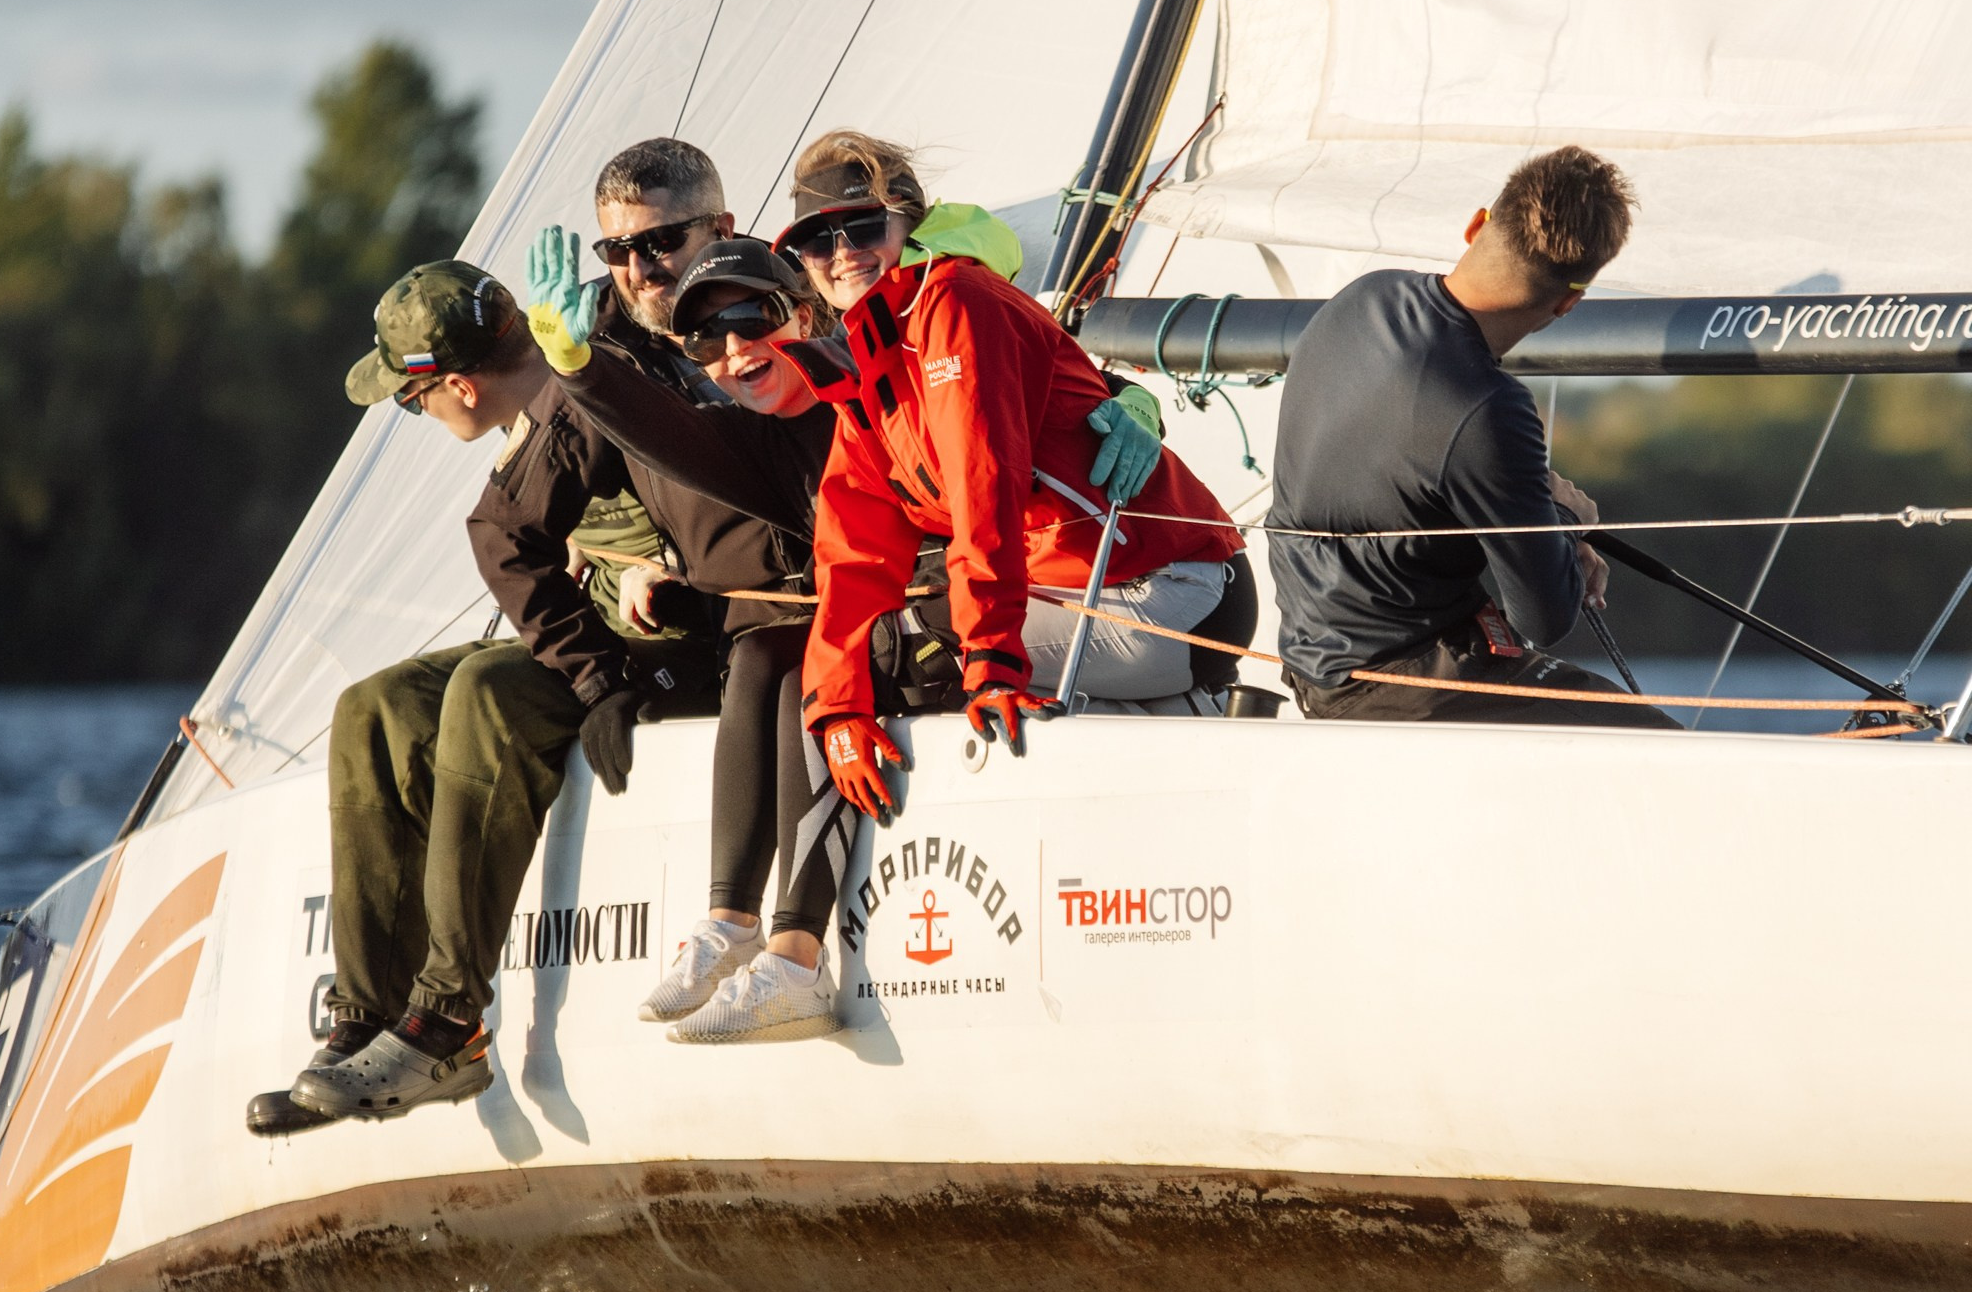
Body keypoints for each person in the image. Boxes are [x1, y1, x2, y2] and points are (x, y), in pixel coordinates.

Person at [246, 246, 722, 1136]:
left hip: (681, 646)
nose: (412, 411)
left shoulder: (583, 390)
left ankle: (445, 1022)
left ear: (459, 386)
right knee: (373, 708)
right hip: (604, 632)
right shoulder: (535, 401)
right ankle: (364, 1020)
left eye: (408, 396)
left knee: (487, 690)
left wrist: (611, 650)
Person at [775, 132, 1257, 824]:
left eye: (862, 225)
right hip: (1092, 592)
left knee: (916, 649)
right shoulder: (872, 356)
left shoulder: (956, 303)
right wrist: (840, 707)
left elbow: (984, 488)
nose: (842, 251)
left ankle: (799, 926)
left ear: (908, 221)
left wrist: (992, 660)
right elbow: (853, 546)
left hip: (1177, 590)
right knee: (840, 679)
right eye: (818, 240)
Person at [524, 226, 850, 1045]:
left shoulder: (872, 382)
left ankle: (797, 958)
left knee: (809, 654)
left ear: (803, 314)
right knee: (764, 647)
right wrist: (577, 365)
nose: (734, 347)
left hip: (950, 611)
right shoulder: (754, 432)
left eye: (754, 318)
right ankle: (734, 925)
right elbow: (666, 430)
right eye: (708, 335)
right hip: (835, 621)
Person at [1267, 147, 1676, 727]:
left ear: (1476, 225)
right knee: (1659, 744)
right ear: (1568, 302)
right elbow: (1545, 618)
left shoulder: (1362, 297)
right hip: (1407, 688)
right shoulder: (1488, 407)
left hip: (1317, 669)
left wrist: (1538, 512)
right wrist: (1565, 519)